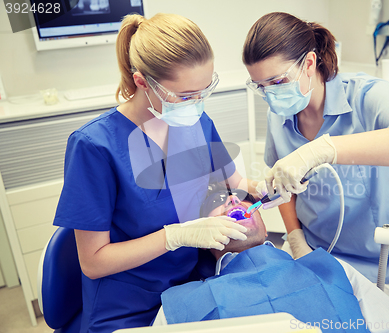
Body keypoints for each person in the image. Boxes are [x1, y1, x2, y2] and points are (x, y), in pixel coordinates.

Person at [53, 13, 259, 333]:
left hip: (193, 283)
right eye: (186, 96)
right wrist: (174, 236)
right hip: (129, 306)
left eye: (206, 90)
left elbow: (235, 184)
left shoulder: (196, 122)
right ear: (142, 82)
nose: (198, 104)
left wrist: (266, 186)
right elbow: (93, 263)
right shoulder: (94, 147)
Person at [242, 12, 389, 303]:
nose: (270, 95)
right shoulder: (278, 114)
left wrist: (322, 150)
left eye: (277, 81)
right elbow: (287, 189)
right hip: (310, 249)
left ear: (308, 63)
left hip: (376, 263)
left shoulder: (365, 96)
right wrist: (295, 240)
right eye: (261, 87)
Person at [152, 185, 389, 333]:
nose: (235, 203)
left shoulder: (330, 268)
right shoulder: (180, 303)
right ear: (200, 232)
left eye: (240, 198)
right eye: (217, 203)